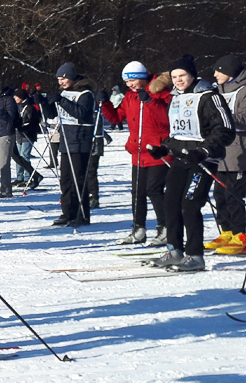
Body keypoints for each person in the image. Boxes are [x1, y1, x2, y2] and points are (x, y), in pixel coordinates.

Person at [146, 55, 233, 271]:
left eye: (182, 75)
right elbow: (178, 132)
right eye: (174, 76)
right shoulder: (176, 98)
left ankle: (195, 255)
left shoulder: (209, 96)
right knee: (170, 203)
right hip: (181, 158)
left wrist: (203, 151)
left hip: (203, 160)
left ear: (192, 75)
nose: (178, 80)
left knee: (190, 205)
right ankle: (174, 250)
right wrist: (164, 148)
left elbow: (225, 130)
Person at [101, 61, 172, 246]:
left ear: (142, 78)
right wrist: (105, 104)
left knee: (154, 190)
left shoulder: (159, 92)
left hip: (157, 151)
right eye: (127, 82)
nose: (129, 85)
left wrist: (149, 101)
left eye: (132, 80)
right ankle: (138, 229)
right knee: (137, 192)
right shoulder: (130, 96)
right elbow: (117, 117)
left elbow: (166, 119)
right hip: (138, 152)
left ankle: (165, 228)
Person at [48, 63, 97, 228]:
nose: (61, 82)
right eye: (59, 79)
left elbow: (81, 113)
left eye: (63, 78)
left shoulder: (85, 93)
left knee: (78, 179)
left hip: (80, 140)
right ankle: (67, 212)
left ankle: (81, 214)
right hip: (66, 140)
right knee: (66, 180)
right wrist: (45, 103)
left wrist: (61, 100)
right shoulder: (65, 93)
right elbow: (55, 113)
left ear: (71, 77)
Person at [208, 55, 246, 254]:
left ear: (230, 72)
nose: (215, 74)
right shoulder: (218, 90)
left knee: (233, 195)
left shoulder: (243, 90)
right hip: (221, 153)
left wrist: (223, 117)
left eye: (219, 71)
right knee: (219, 195)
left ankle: (241, 234)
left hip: (239, 152)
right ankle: (227, 231)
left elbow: (244, 117)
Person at [12, 89, 43, 189]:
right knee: (19, 157)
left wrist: (24, 127)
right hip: (19, 135)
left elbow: (32, 122)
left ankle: (27, 177)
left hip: (27, 135)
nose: (14, 98)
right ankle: (19, 177)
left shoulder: (30, 107)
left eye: (16, 96)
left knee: (24, 156)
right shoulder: (19, 106)